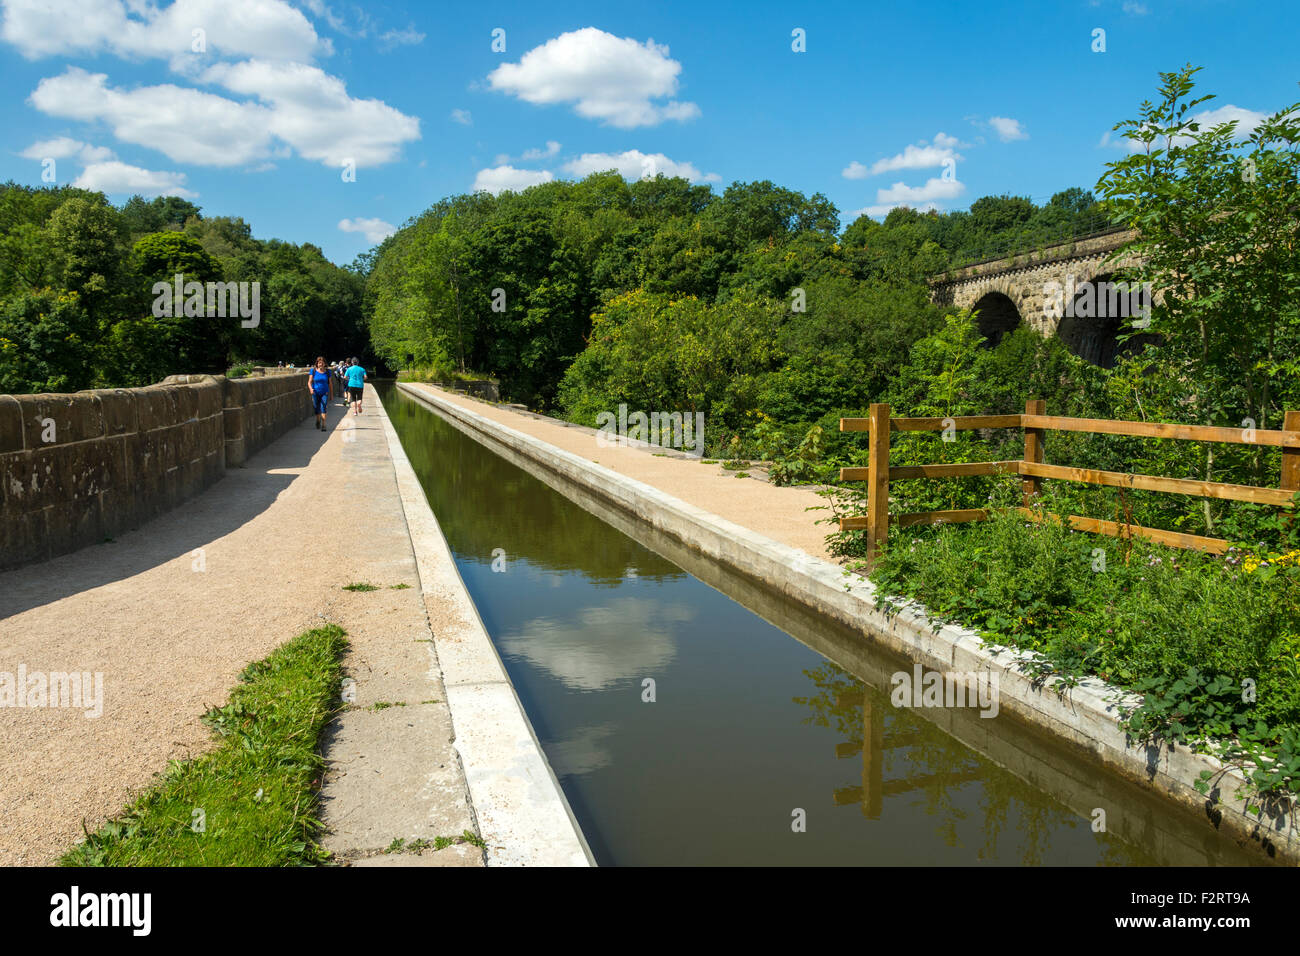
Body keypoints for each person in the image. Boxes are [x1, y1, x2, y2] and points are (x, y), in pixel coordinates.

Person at [307, 356, 333, 431]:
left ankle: (323, 424)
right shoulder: (313, 371)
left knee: (323, 407)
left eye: (322, 363)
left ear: (325, 364)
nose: (320, 364)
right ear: (317, 364)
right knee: (316, 407)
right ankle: (318, 420)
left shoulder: (328, 372)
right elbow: (309, 382)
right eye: (319, 363)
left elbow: (330, 384)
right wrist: (311, 389)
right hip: (315, 392)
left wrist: (331, 395)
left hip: (325, 392)